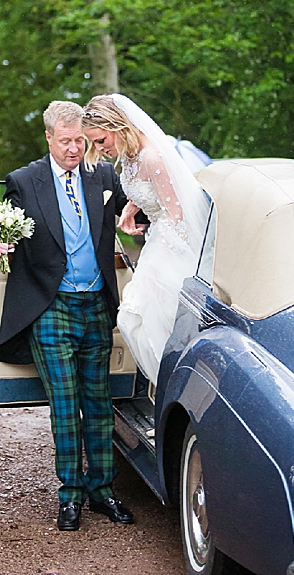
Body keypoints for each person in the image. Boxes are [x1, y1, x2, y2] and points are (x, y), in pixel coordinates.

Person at [0, 100, 134, 531]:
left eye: (81, 141)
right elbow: (1, 231)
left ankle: (102, 491)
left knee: (99, 403)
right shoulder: (23, 181)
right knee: (66, 406)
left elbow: (135, 210)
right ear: (49, 137)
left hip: (97, 306)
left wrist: (138, 220)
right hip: (50, 307)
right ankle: (69, 496)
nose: (75, 149)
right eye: (67, 141)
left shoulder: (104, 175)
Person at [82, 94, 210, 386]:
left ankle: (178, 385)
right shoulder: (130, 153)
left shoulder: (153, 156)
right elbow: (145, 191)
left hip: (173, 245)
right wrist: (130, 209)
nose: (99, 149)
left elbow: (177, 217)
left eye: (101, 140)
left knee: (142, 316)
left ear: (117, 126)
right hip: (158, 242)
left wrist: (156, 265)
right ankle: (167, 385)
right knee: (139, 319)